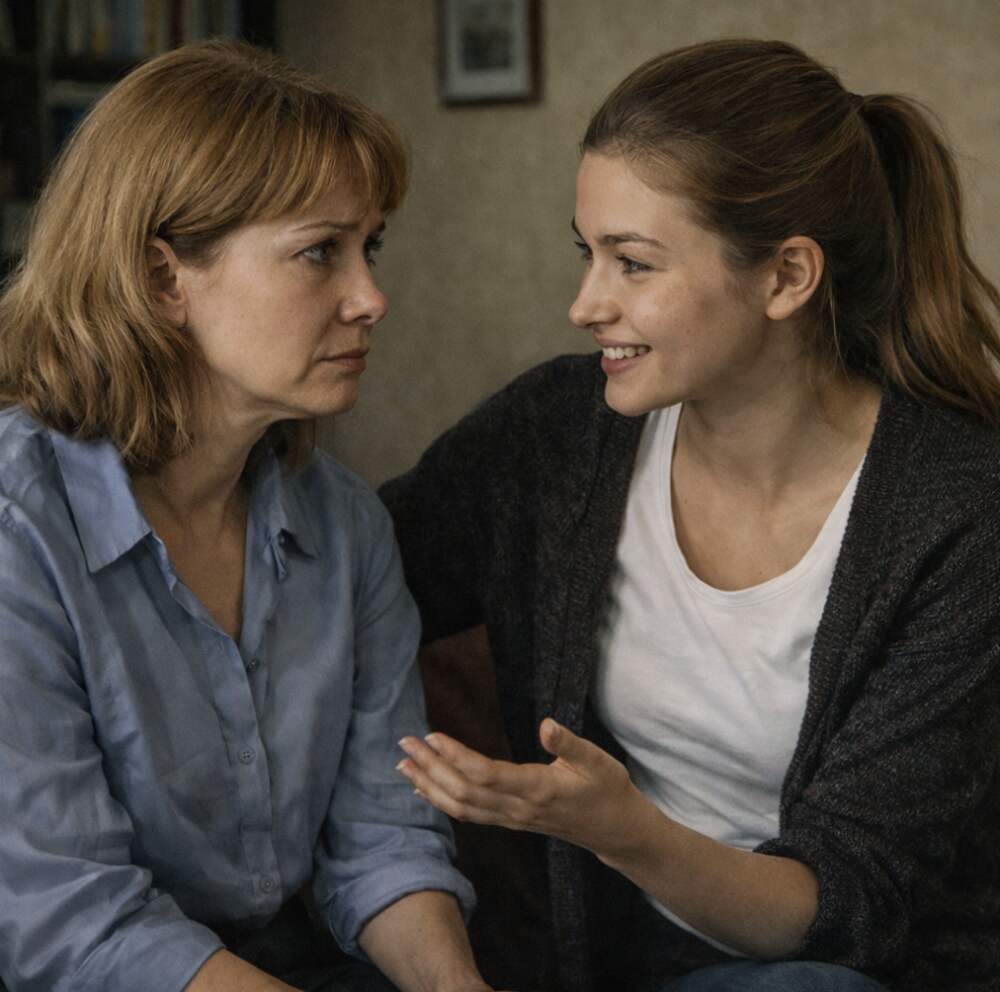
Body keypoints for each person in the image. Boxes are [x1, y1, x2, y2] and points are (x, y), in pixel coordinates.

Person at [381, 39, 1000, 992]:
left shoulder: (959, 514)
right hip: (613, 961)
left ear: (786, 277)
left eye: (633, 263)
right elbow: (352, 572)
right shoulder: (555, 436)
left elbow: (845, 913)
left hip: (845, 966)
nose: (585, 304)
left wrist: (623, 831)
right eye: (588, 253)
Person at [0, 41, 500, 992]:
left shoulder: (347, 525)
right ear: (162, 280)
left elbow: (383, 841)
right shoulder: (16, 530)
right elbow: (71, 921)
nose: (371, 298)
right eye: (319, 252)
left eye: (369, 247)